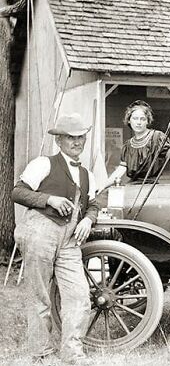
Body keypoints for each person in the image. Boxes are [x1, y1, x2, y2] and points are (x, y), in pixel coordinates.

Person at [12, 113, 99, 363]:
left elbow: (92, 204)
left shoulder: (86, 174)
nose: (78, 142)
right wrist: (48, 199)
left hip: (71, 239)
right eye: (72, 138)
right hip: (40, 231)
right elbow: (17, 192)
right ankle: (40, 351)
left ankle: (72, 352)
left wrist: (88, 219)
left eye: (81, 137)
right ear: (59, 140)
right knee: (39, 295)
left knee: (79, 295)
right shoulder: (43, 164)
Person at [106, 100, 170, 185]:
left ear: (148, 121)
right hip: (132, 187)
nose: (138, 122)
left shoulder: (157, 137)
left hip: (152, 188)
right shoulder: (127, 145)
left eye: (142, 119)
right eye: (135, 118)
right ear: (129, 120)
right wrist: (103, 186)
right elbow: (121, 169)